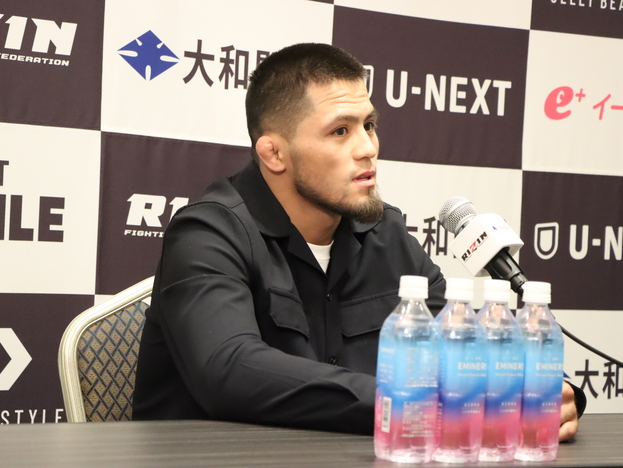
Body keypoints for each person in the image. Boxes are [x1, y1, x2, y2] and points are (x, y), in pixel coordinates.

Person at [132, 43, 585, 438]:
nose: (368, 147)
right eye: (340, 131)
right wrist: (411, 401)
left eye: (369, 125)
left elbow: (463, 342)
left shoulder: (385, 233)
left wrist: (546, 391)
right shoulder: (208, 232)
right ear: (274, 153)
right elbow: (227, 370)